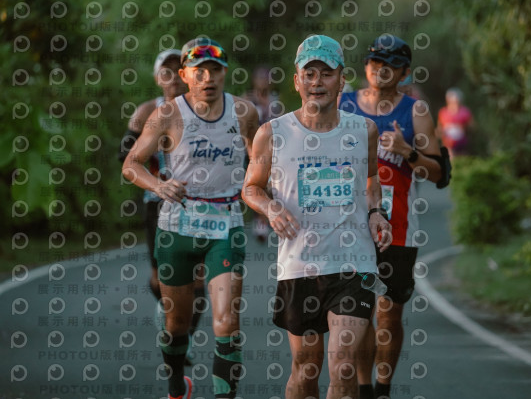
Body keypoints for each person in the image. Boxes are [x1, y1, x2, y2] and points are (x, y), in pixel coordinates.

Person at [242, 34, 392, 399]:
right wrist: (271, 207)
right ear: (296, 81)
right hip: (300, 264)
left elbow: (371, 181)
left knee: (343, 366)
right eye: (309, 74)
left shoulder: (364, 131)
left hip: (354, 263)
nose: (317, 82)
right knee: (306, 368)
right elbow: (251, 188)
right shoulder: (272, 133)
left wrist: (376, 212)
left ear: (342, 80)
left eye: (326, 73)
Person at [123, 37, 259, 399]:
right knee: (177, 323)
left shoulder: (244, 112)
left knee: (227, 322)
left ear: (225, 73)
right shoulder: (166, 114)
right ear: (184, 75)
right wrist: (158, 185)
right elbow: (131, 164)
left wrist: (266, 195)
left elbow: (261, 162)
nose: (208, 78)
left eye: (215, 70)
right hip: (177, 228)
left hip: (226, 225)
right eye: (199, 71)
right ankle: (176, 386)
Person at [339, 34, 451, 399]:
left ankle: (383, 389)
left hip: (398, 227)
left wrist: (408, 152)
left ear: (404, 72)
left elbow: (438, 174)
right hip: (350, 226)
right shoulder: (344, 104)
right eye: (376, 62)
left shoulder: (415, 111)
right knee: (358, 313)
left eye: (391, 64)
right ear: (366, 66)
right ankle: (364, 388)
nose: (381, 69)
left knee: (388, 314)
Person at [118, 50, 206, 351]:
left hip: (197, 201)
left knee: (198, 276)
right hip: (157, 200)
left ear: (186, 76)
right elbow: (124, 155)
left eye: (177, 72)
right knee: (160, 278)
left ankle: (185, 336)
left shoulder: (203, 110)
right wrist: (156, 156)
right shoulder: (146, 111)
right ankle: (169, 312)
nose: (173, 80)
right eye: (165, 73)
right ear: (158, 79)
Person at [241, 67, 280, 242]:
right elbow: (242, 125)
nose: (264, 81)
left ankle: (265, 220)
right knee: (254, 184)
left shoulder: (275, 100)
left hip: (271, 148)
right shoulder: (247, 98)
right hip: (250, 148)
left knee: (270, 185)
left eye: (267, 78)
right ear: (254, 80)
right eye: (261, 78)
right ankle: (258, 221)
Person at [437, 87, 474, 157]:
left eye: (455, 102)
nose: (454, 104)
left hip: (461, 142)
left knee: (462, 156)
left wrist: (462, 126)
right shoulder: (443, 112)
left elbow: (472, 127)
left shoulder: (465, 112)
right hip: (447, 142)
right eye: (451, 102)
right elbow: (439, 128)